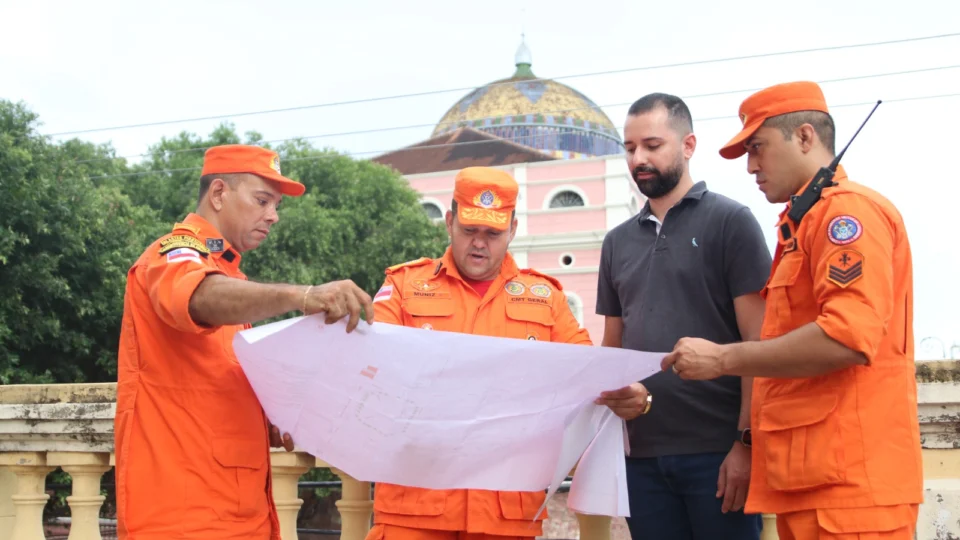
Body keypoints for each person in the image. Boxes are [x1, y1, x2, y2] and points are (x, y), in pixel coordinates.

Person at [662, 81, 923, 539]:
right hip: (813, 484)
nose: (750, 167)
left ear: (804, 137)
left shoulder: (848, 216)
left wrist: (723, 358)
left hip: (852, 494)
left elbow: (847, 336)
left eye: (758, 148)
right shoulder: (803, 223)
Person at [114, 144, 374, 540]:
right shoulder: (174, 255)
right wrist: (301, 296)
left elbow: (213, 382)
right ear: (219, 193)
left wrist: (272, 414)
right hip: (183, 516)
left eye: (276, 205)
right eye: (262, 200)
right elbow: (199, 297)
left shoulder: (226, 275)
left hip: (237, 511)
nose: (273, 215)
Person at [365, 166, 592, 540]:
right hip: (414, 507)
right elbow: (370, 365)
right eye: (470, 230)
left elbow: (586, 374)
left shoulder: (546, 299)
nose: (479, 244)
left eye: (493, 233)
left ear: (513, 230)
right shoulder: (404, 287)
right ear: (450, 223)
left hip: (506, 509)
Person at [594, 93, 772, 540]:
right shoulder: (616, 242)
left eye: (653, 145)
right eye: (630, 148)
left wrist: (745, 445)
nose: (639, 158)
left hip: (717, 456)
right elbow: (611, 348)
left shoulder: (731, 222)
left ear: (688, 145)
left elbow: (760, 343)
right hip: (640, 458)